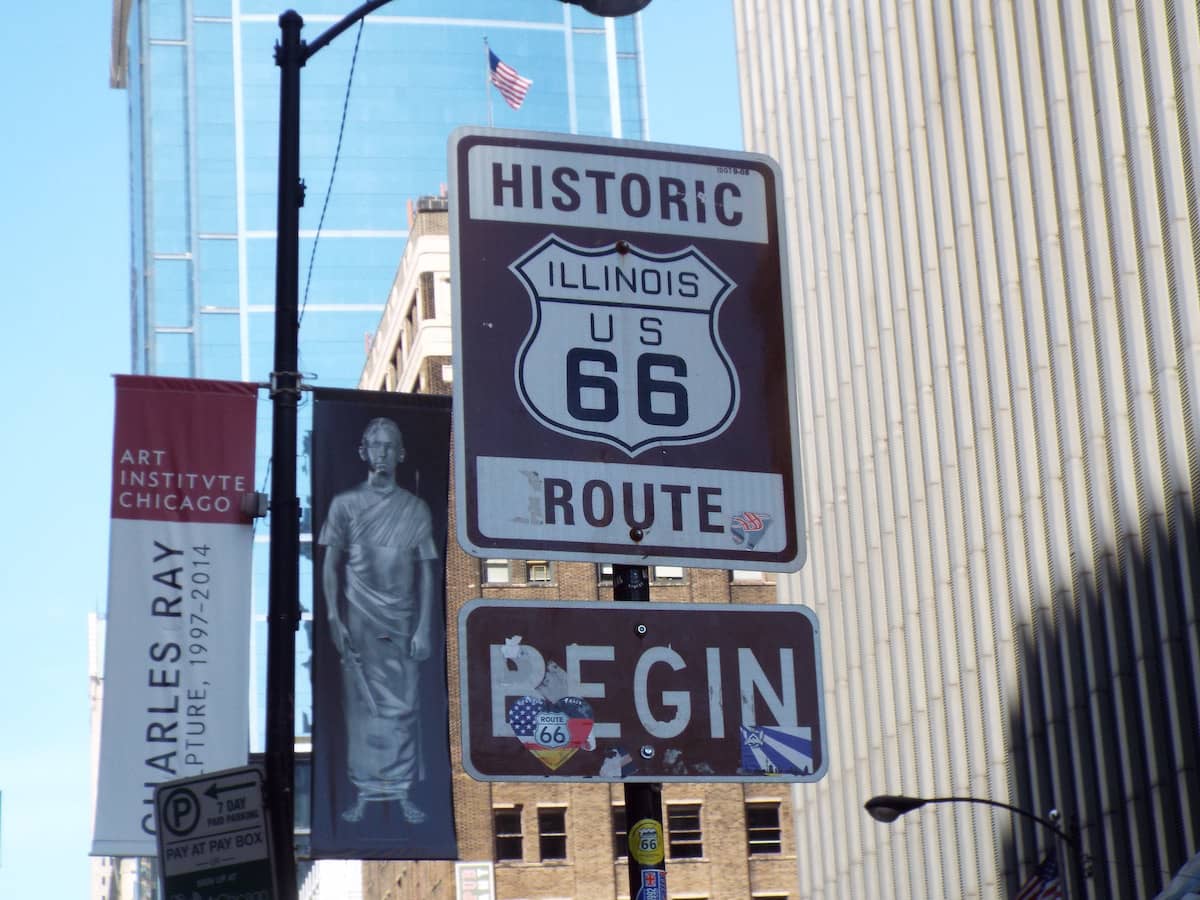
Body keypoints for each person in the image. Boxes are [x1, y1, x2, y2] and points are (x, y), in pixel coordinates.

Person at [319, 417, 439, 825]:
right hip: (359, 621)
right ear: (363, 451)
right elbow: (331, 564)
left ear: (401, 453)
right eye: (376, 445)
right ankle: (364, 790)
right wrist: (333, 616)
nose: (383, 453)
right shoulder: (344, 504)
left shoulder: (415, 509)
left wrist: (424, 626)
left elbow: (426, 571)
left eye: (390, 446)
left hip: (401, 624)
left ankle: (401, 790)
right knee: (361, 711)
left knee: (403, 709)